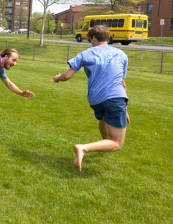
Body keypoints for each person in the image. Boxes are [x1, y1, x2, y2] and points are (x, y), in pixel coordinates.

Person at [53, 25, 130, 171]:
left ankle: (103, 144)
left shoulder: (85, 54)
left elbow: (67, 75)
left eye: (90, 40)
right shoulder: (122, 55)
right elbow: (122, 83)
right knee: (117, 143)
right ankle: (84, 148)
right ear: (107, 38)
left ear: (94, 38)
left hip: (96, 100)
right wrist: (124, 107)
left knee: (104, 119)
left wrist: (57, 78)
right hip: (115, 97)